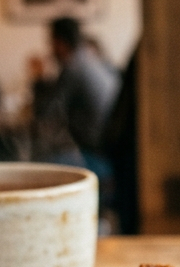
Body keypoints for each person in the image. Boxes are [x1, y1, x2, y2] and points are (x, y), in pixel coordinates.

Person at [34, 17, 119, 170]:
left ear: (60, 42)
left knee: (38, 163)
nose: (50, 49)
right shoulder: (92, 60)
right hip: (113, 149)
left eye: (51, 43)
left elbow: (45, 113)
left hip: (97, 154)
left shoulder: (73, 67)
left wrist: (38, 80)